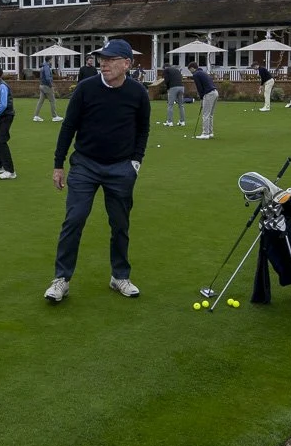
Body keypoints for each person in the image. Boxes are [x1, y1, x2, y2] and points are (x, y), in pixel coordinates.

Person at [46, 39, 151, 302]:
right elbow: (68, 126)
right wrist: (58, 164)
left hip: (121, 168)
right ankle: (61, 280)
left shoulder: (138, 92)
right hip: (85, 164)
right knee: (74, 219)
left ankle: (119, 276)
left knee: (120, 224)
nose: (103, 63)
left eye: (111, 59)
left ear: (126, 64)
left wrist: (136, 162)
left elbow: (143, 129)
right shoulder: (86, 88)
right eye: (102, 59)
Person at [191, 62, 218, 138]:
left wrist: (201, 98)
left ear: (192, 68)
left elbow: (199, 88)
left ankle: (205, 134)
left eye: (190, 70)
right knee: (210, 115)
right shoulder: (203, 72)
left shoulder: (196, 74)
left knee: (206, 114)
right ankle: (210, 133)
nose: (190, 72)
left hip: (209, 94)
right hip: (215, 93)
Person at [161, 60, 187, 126]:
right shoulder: (177, 70)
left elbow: (166, 81)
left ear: (165, 67)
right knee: (181, 105)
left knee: (170, 105)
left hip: (173, 87)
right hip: (181, 87)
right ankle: (182, 121)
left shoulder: (166, 70)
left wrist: (168, 89)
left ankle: (169, 122)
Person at [34, 57, 59, 122]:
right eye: (51, 60)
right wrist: (51, 86)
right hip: (46, 86)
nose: (52, 61)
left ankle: (36, 116)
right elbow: (48, 78)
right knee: (52, 100)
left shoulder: (43, 66)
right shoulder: (46, 67)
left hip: (42, 85)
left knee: (40, 101)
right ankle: (54, 117)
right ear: (49, 60)